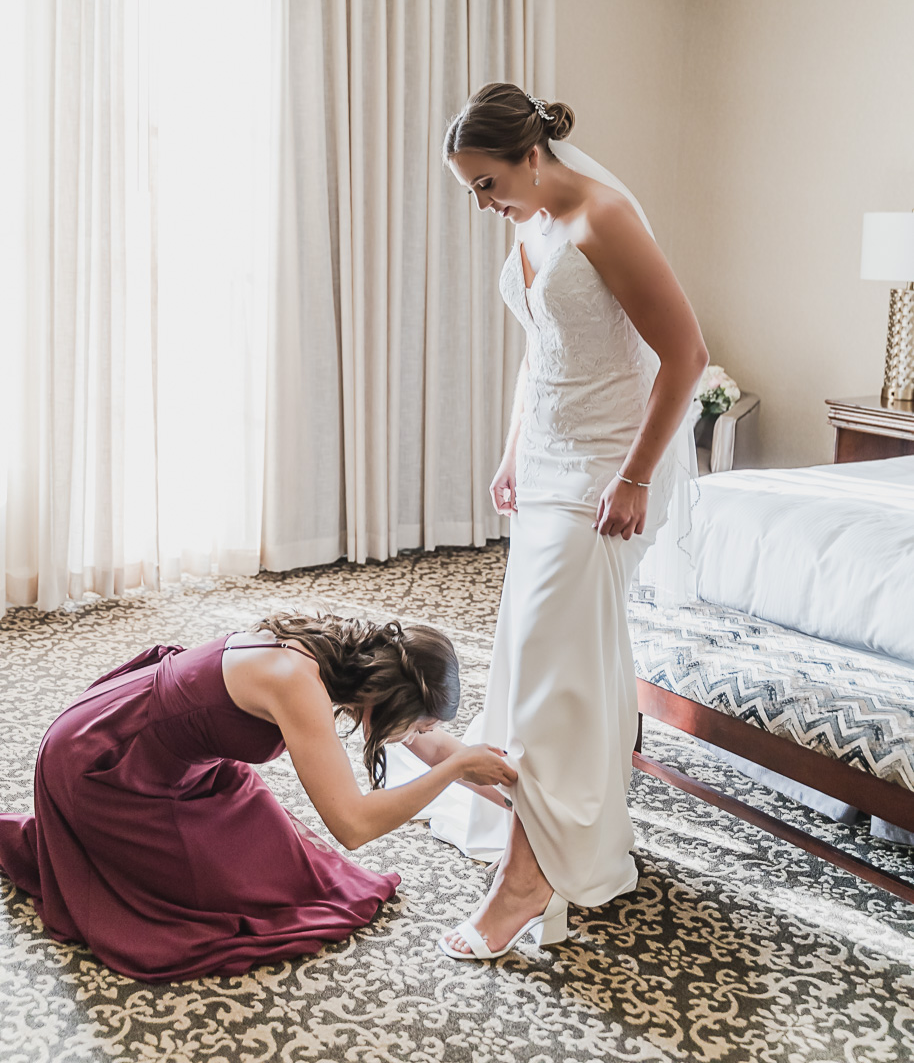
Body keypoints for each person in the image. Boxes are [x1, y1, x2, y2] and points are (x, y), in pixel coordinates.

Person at [404, 82, 707, 961]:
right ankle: (567, 832)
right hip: (544, 463)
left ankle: (528, 881)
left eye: (487, 183)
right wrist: (511, 449)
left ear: (531, 157)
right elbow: (542, 347)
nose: (484, 203)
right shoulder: (528, 218)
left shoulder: (603, 219)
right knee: (551, 658)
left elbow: (685, 353)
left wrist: (637, 476)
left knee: (549, 667)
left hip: (601, 475)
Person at [0, 612, 516, 981]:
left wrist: (526, 809)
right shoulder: (296, 681)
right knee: (198, 921)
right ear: (390, 697)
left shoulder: (345, 660)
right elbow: (353, 826)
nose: (415, 734)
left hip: (180, 759)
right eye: (417, 720)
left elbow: (439, 747)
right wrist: (454, 771)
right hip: (108, 766)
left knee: (295, 876)